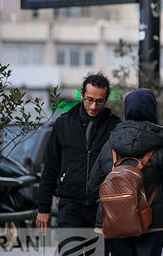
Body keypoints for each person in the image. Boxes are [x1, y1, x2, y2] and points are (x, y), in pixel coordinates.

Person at [88, 89, 163, 255]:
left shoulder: (111, 142)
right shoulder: (162, 144)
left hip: (115, 220)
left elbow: (93, 186)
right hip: (152, 222)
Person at [36, 73, 121, 231]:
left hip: (102, 207)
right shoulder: (63, 124)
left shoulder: (115, 127)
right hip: (70, 205)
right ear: (82, 95)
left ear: (106, 99)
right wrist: (43, 208)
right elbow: (50, 168)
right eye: (90, 100)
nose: (93, 106)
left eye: (99, 101)